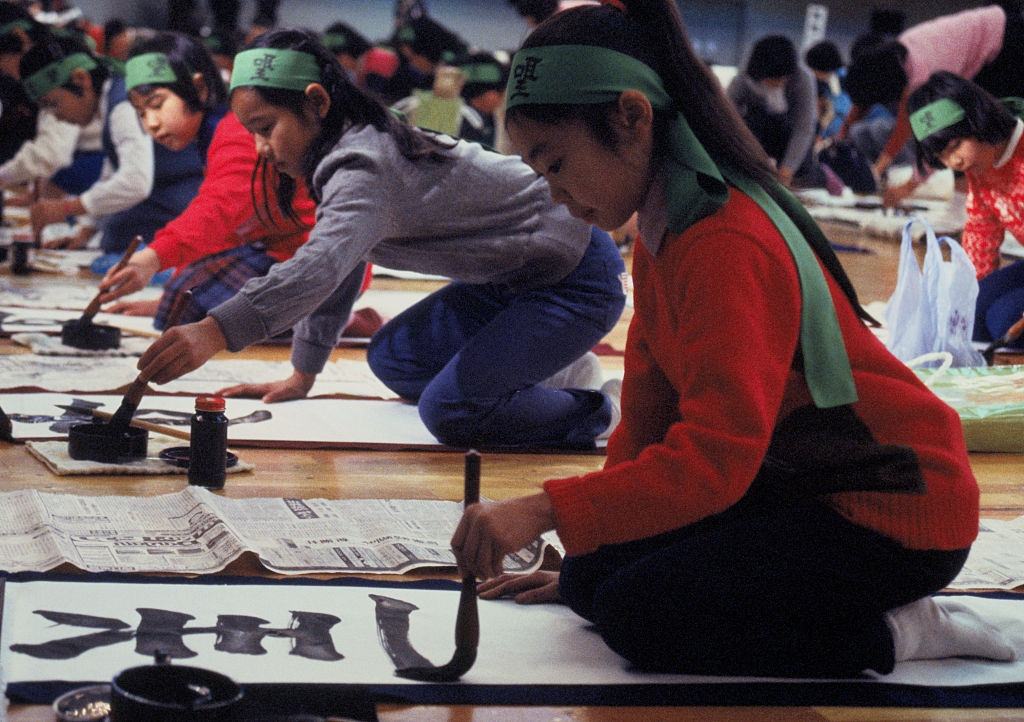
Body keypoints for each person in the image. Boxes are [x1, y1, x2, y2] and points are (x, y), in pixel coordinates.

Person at [452, 0, 1015, 678]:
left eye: (556, 165)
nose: (555, 194)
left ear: (631, 118)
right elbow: (649, 424)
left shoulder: (724, 239)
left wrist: (542, 509)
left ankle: (899, 631)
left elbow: (715, 458)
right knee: (590, 577)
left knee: (638, 617)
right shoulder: (667, 229)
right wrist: (584, 549)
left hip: (891, 509)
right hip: (798, 481)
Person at [135, 29, 625, 447]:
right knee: (393, 359)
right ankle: (550, 365)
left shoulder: (362, 165)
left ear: (317, 103)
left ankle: (602, 411)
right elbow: (344, 263)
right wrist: (303, 374)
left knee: (452, 411)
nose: (261, 148)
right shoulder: (344, 155)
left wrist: (216, 331)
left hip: (573, 276)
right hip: (507, 282)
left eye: (266, 128)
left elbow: (319, 266)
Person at [95, 32, 317, 331]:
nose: (151, 123)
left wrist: (153, 258)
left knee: (201, 311)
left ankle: (336, 320)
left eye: (157, 104)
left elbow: (218, 211)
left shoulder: (236, 130)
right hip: (276, 247)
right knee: (180, 301)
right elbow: (220, 230)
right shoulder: (213, 133)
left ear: (199, 88)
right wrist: (166, 298)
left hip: (310, 256)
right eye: (141, 113)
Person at [19, 33, 205, 271]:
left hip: (177, 222)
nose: (57, 116)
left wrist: (67, 208)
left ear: (81, 79)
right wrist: (87, 230)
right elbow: (113, 171)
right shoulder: (112, 101)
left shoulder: (124, 105)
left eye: (53, 104)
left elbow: (135, 182)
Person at [844, 4, 1024, 205]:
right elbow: (864, 105)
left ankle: (996, 205)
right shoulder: (897, 57)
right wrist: (841, 136)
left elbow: (934, 137)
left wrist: (906, 186)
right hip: (992, 41)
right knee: (967, 148)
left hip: (1008, 40)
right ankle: (971, 207)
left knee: (985, 138)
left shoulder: (924, 77)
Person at [908, 71, 1024, 350]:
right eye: (942, 157)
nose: (954, 162)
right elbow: (981, 231)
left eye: (955, 146)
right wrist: (967, 296)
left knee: (1004, 321)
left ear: (977, 119)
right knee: (972, 315)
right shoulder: (981, 166)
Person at [0, 3, 103, 217]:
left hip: (96, 162)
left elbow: (52, 152)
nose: (7, 74)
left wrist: (3, 176)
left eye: (2, 64)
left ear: (20, 37)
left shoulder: (52, 63)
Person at [726, 34, 824, 188]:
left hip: (789, 132)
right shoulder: (745, 76)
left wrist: (787, 171)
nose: (775, 84)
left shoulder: (803, 78)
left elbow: (803, 128)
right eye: (771, 81)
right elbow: (726, 114)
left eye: (779, 81)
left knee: (803, 164)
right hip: (756, 131)